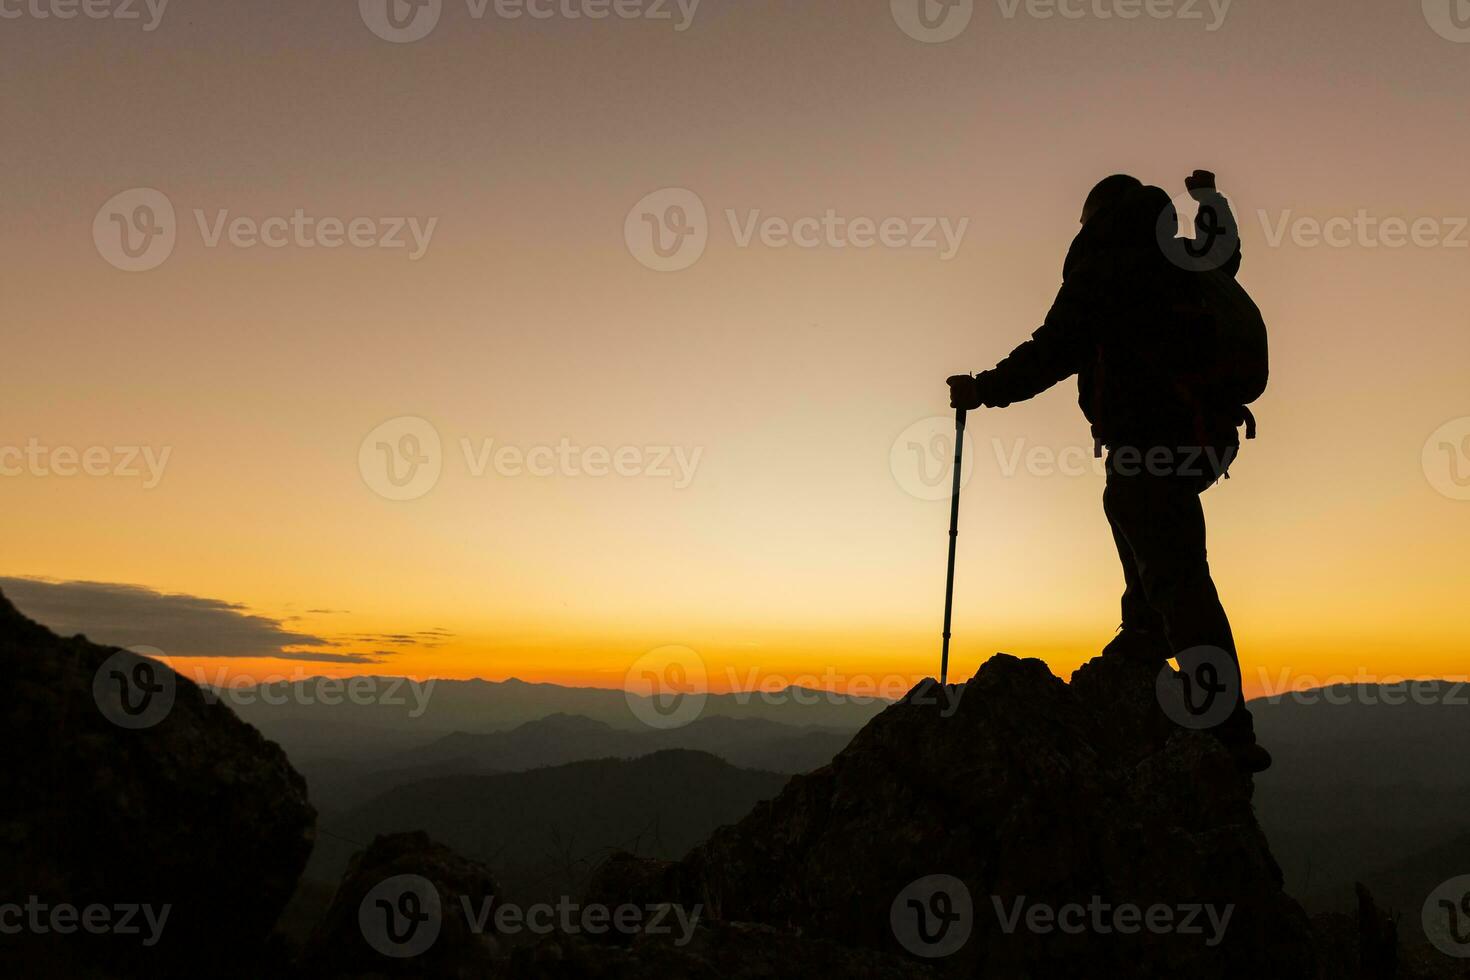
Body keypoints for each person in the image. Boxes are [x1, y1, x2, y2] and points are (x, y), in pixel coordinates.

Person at [947, 172, 1272, 773]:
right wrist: (1209, 200)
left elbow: (1050, 351)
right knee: (1142, 523)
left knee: (1176, 572)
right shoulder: (1176, 260)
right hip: (1203, 438)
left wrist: (982, 391)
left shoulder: (1105, 272)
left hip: (1151, 440)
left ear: (1095, 220)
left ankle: (1225, 725)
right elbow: (1224, 251)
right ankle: (1143, 632)